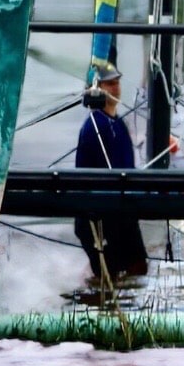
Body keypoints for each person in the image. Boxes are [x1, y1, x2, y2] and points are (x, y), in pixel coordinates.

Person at [73, 65, 147, 280]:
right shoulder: (94, 126)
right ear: (96, 89)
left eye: (117, 83)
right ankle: (91, 293)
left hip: (122, 209)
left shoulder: (118, 123)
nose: (116, 88)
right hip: (100, 214)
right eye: (110, 84)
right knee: (109, 276)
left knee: (138, 269)